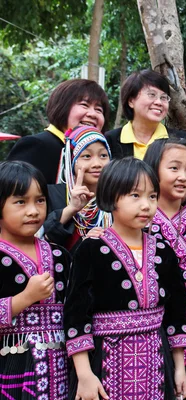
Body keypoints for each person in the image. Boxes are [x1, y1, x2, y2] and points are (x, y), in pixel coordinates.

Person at [63, 157, 186, 400]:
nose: (146, 205)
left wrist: (180, 367)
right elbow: (76, 314)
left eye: (152, 196)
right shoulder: (91, 249)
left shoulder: (163, 250)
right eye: (135, 195)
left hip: (156, 361)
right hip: (104, 362)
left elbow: (177, 311)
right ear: (111, 198)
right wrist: (85, 374)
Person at [144, 138, 186, 399]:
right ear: (153, 169)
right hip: (148, 315)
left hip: (185, 318)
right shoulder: (140, 215)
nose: (183, 176)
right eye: (174, 168)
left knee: (182, 386)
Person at [0, 161, 71, 399]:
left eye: (39, 200)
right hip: (11, 369)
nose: (33, 210)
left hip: (61, 367)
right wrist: (25, 298)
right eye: (21, 201)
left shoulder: (60, 255)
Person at [7, 79, 110, 184]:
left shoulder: (102, 152)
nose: (92, 114)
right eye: (84, 105)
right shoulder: (36, 145)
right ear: (62, 107)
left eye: (98, 110)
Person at [43, 126, 112, 253]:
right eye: (86, 156)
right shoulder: (50, 194)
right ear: (72, 160)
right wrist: (72, 208)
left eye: (103, 155)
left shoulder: (116, 198)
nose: (97, 163)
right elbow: (43, 240)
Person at [105, 70, 186, 160]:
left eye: (163, 97)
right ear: (131, 101)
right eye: (152, 95)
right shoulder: (110, 140)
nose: (159, 102)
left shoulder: (179, 139)